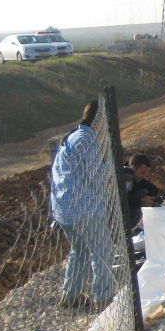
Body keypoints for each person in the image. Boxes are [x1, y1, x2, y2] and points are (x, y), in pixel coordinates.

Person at [50, 100, 115, 307]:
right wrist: (114, 168)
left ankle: (71, 296)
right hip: (85, 209)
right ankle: (104, 298)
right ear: (100, 119)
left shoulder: (72, 137)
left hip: (64, 208)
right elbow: (98, 176)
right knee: (102, 252)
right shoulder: (87, 140)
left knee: (79, 251)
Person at [124, 153, 162, 229]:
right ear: (132, 168)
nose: (144, 176)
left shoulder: (137, 178)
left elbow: (151, 188)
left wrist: (154, 200)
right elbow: (123, 200)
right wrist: (140, 202)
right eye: (142, 173)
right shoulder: (124, 176)